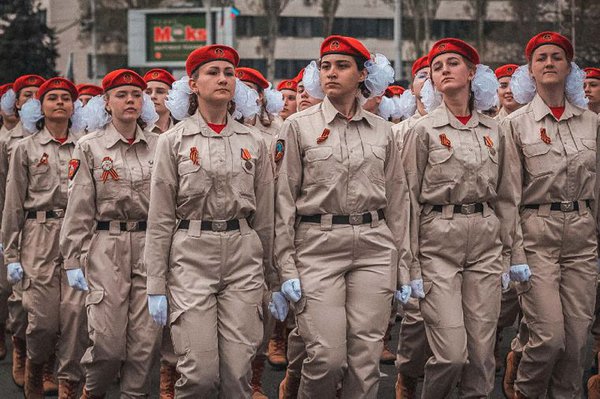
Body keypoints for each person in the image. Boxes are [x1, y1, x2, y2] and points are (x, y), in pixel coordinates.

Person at [275, 35, 411, 399]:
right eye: (325, 66)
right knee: (326, 357)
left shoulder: (383, 130)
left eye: (341, 66)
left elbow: (398, 201)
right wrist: (284, 268)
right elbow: (283, 202)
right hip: (317, 246)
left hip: (374, 246)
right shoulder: (297, 127)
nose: (330, 73)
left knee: (365, 361)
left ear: (362, 74)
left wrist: (404, 266)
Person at [144, 44, 276, 398]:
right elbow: (159, 218)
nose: (222, 79)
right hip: (191, 255)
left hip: (243, 255)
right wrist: (156, 284)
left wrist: (274, 278)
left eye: (229, 73)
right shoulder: (173, 141)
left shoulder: (255, 142)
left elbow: (265, 216)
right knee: (200, 374)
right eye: (212, 72)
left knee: (237, 375)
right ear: (193, 84)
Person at [402, 38, 510, 398]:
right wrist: (409, 265)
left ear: (472, 73)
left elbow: (507, 198)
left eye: (452, 63)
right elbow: (408, 202)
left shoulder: (496, 130)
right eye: (437, 66)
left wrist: (511, 256)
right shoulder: (422, 130)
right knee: (450, 355)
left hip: (485, 244)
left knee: (481, 357)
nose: (444, 70)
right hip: (437, 245)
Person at [499, 32, 598, 399]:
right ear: (530, 70)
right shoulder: (515, 124)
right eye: (541, 58)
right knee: (549, 338)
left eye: (557, 56)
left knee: (575, 344)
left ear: (569, 66)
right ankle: (527, 390)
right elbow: (507, 195)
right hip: (536, 236)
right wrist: (514, 254)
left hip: (582, 238)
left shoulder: (591, 123)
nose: (549, 63)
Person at [60, 69, 162, 398]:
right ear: (106, 102)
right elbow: (79, 207)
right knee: (107, 343)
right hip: (106, 245)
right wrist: (72, 258)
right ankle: (93, 392)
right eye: (121, 94)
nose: (130, 100)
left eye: (136, 94)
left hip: (150, 245)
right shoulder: (90, 147)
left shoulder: (160, 145)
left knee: (145, 346)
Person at [2, 77, 87, 399]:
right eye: (52, 98)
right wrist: (10, 254)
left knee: (77, 317)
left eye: (66, 98)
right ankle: (36, 364)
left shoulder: (86, 144)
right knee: (42, 319)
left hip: (77, 235)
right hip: (38, 235)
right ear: (41, 106)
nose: (60, 103)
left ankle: (67, 380)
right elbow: (13, 205)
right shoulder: (26, 149)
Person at [0, 74, 51, 391]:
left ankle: (44, 364)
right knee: (14, 296)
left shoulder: (68, 137)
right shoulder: (9, 140)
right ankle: (20, 347)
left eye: (37, 94)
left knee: (56, 306)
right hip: (16, 223)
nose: (32, 99)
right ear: (16, 103)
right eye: (26, 95)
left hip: (52, 229)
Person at [278, 65, 325, 399]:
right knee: (309, 330)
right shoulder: (291, 130)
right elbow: (281, 199)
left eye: (307, 90)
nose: (302, 96)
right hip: (308, 238)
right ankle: (295, 378)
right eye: (300, 92)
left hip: (358, 241)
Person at [392, 54, 434, 398]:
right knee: (417, 317)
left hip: (459, 233)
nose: (428, 81)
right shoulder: (398, 132)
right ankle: (408, 374)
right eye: (421, 75)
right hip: (412, 231)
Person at [144, 68, 176, 134]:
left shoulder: (182, 130)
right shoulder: (134, 131)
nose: (152, 96)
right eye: (148, 92)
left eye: (160, 92)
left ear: (173, 96)